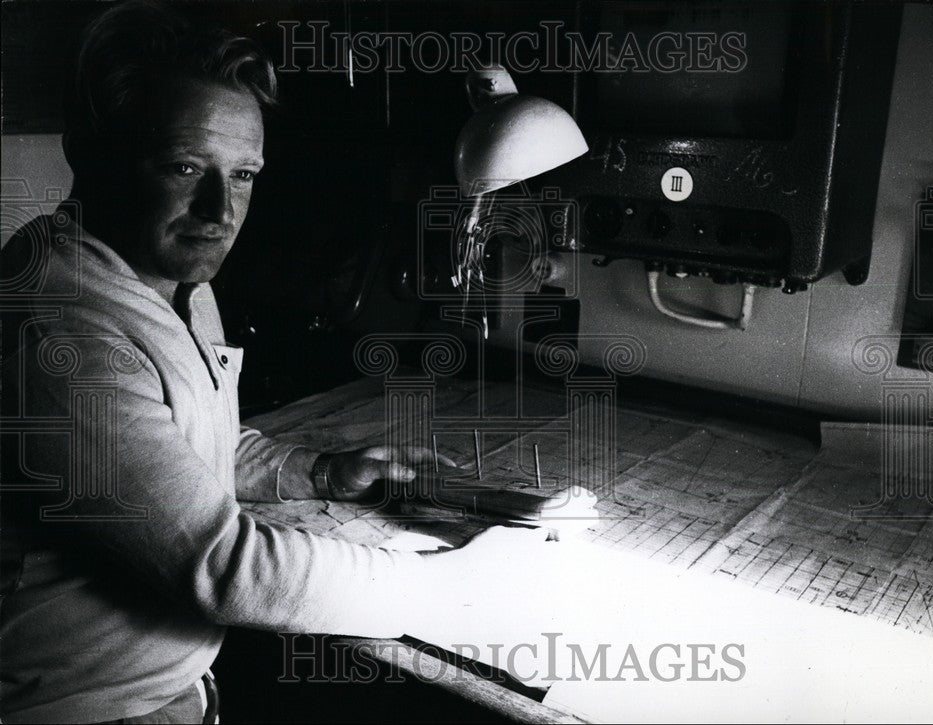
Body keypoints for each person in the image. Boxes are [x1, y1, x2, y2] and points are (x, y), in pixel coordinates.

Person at [0, 2, 549, 722]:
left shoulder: (170, 277)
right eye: (185, 165)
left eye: (244, 174)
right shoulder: (56, 333)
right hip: (83, 709)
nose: (218, 209)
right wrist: (446, 585)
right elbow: (221, 564)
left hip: (172, 687)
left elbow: (191, 451)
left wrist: (320, 471)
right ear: (91, 152)